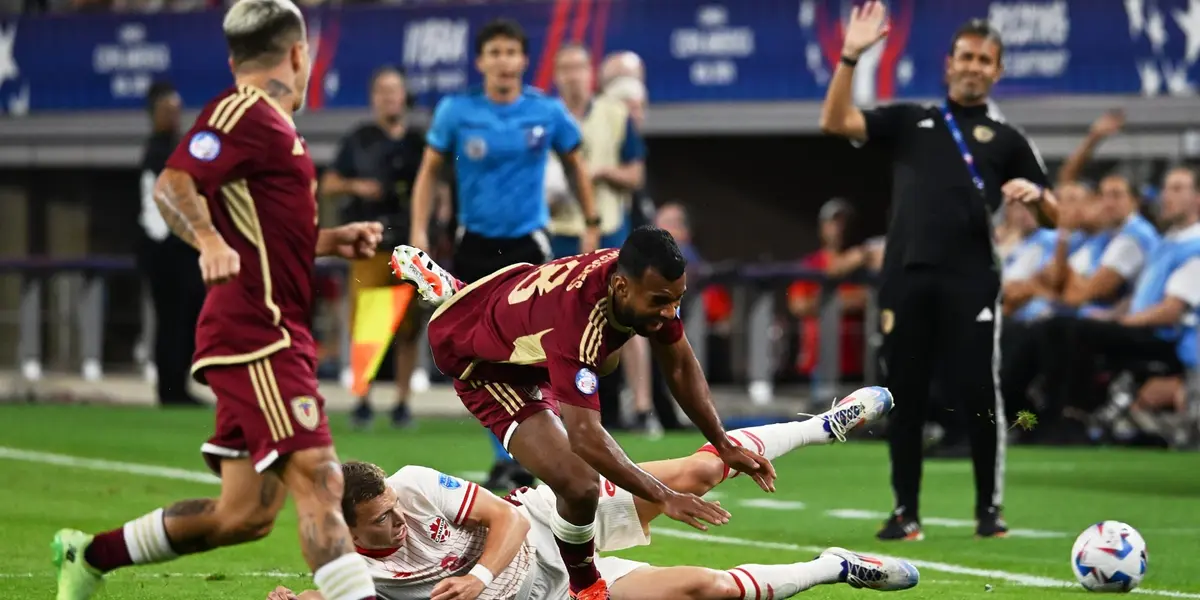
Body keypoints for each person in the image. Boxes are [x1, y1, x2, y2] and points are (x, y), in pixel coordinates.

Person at [52, 2, 384, 599]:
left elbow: (264, 233)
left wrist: (331, 240)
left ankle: (88, 555)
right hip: (260, 332)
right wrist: (206, 239)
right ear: (299, 53)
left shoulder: (275, 127)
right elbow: (172, 183)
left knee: (244, 514)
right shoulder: (241, 111)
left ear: (234, 59)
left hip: (268, 331)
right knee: (321, 480)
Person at [391, 226, 892, 599]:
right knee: (699, 579)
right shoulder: (583, 322)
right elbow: (585, 438)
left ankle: (820, 426)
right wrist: (662, 496)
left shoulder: (635, 289)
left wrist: (722, 441)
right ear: (621, 286)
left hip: (539, 520)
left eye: (677, 300)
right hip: (488, 370)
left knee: (685, 466)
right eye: (661, 301)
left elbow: (680, 363)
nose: (670, 311)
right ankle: (833, 567)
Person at [263, 399, 918, 600]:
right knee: (708, 589)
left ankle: (819, 425)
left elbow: (503, 520)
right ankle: (835, 566)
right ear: (350, 533)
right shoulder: (355, 568)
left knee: (695, 474)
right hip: (557, 594)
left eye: (390, 508)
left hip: (551, 522)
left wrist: (479, 578)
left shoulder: (409, 485)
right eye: (380, 521)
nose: (396, 521)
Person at [818, 3, 1060, 541]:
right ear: (949, 64)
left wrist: (1037, 198)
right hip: (906, 276)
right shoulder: (911, 120)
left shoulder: (1008, 138)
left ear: (997, 71)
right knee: (903, 394)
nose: (974, 66)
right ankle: (905, 512)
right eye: (966, 57)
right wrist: (851, 56)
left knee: (978, 393)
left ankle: (989, 510)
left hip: (970, 280)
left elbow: (1054, 214)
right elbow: (835, 121)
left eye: (985, 60)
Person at [408, 19, 602, 494]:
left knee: (540, 353)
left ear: (524, 60)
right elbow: (428, 172)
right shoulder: (456, 111)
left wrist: (591, 224)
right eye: (494, 52)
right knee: (481, 360)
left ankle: (542, 449)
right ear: (480, 61)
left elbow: (577, 165)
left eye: (511, 52)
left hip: (528, 247)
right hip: (474, 245)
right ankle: (507, 454)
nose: (503, 61)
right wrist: (418, 231)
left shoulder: (547, 110)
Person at [547, 44, 656, 434]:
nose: (572, 76)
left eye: (579, 67)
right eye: (565, 68)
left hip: (608, 228)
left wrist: (600, 172)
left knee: (627, 317)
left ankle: (642, 408)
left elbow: (636, 175)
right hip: (559, 230)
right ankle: (555, 409)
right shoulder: (545, 116)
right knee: (556, 324)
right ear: (556, 75)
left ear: (590, 73)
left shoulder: (614, 114)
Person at [321, 66, 437, 430]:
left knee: (408, 327)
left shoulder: (419, 142)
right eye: (382, 91)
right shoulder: (359, 139)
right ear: (373, 98)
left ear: (404, 96)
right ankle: (362, 400)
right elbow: (329, 183)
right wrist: (357, 187)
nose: (389, 97)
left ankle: (402, 402)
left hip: (409, 244)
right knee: (368, 325)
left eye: (395, 90)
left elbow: (436, 185)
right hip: (369, 244)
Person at [137, 80, 206, 406]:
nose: (174, 116)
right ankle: (170, 389)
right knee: (171, 321)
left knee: (188, 317)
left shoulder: (176, 148)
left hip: (182, 249)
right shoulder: (158, 152)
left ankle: (178, 384)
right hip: (165, 250)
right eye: (167, 110)